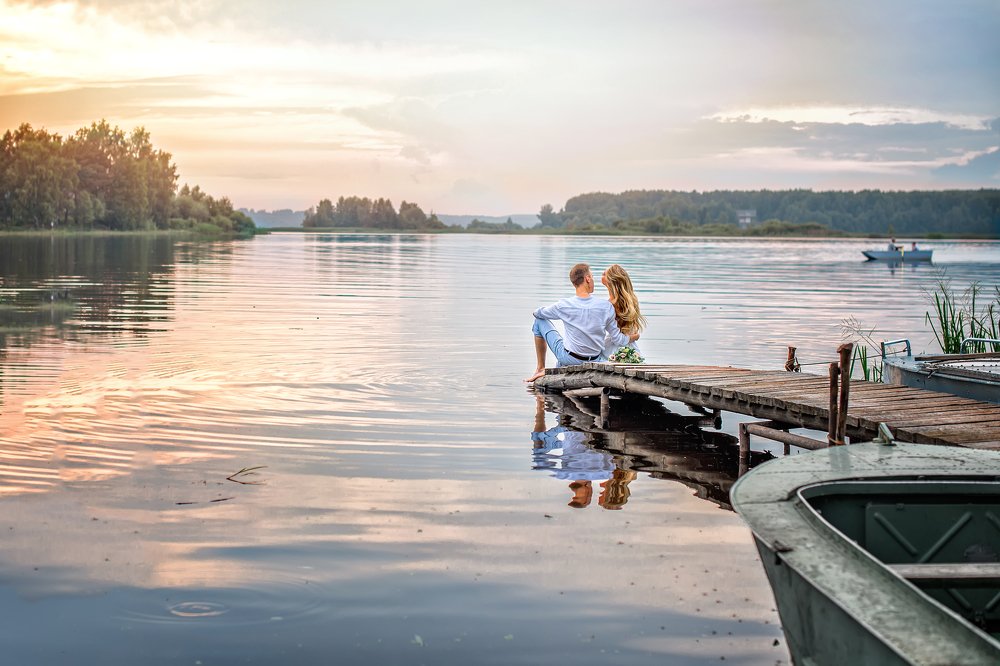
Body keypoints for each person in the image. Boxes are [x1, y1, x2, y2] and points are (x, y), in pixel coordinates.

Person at [525, 263, 638, 382]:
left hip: (570, 359)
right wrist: (635, 336)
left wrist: (551, 310)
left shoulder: (563, 305)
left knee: (539, 321)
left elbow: (537, 314)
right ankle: (556, 367)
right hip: (595, 359)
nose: (593, 280)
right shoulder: (606, 307)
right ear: (587, 279)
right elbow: (618, 340)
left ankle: (540, 367)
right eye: (592, 277)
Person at [601, 264, 647, 358]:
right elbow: (633, 329)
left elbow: (616, 338)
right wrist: (635, 336)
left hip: (614, 348)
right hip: (630, 345)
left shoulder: (610, 304)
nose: (602, 274)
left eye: (604, 274)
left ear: (611, 281)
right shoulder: (631, 300)